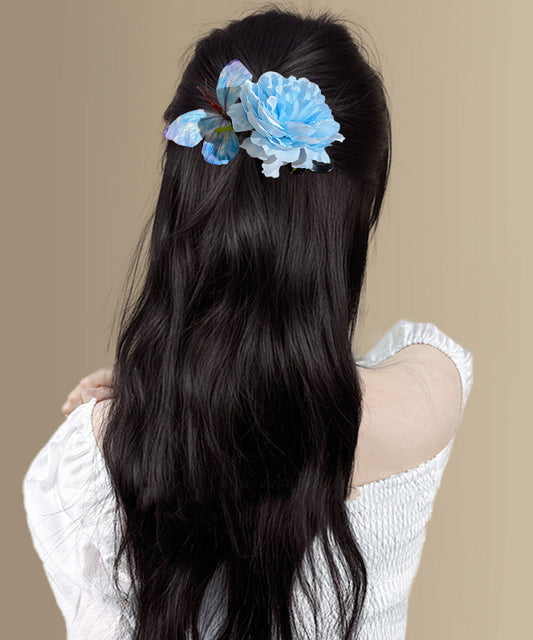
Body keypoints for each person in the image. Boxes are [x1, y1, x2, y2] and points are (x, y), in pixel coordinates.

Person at [23, 6, 473, 640]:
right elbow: (409, 361)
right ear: (359, 208)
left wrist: (163, 393)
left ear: (183, 187)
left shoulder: (87, 460)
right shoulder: (431, 394)